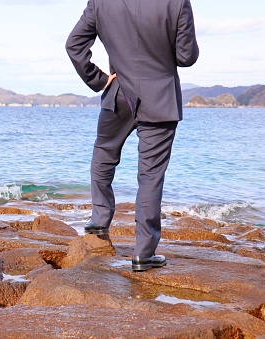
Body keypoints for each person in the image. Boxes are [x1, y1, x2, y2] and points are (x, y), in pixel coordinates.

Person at [66, 0, 199, 271]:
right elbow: (187, 57)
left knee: (104, 153)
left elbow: (74, 45)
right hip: (160, 97)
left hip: (118, 93)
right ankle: (143, 253)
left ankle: (100, 220)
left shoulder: (101, 2)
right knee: (150, 175)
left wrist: (99, 80)